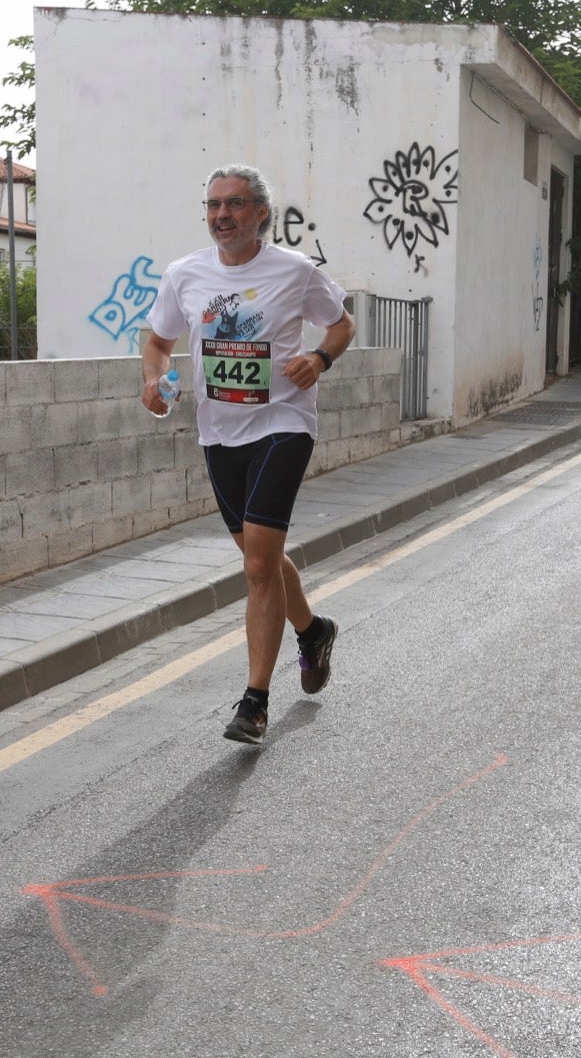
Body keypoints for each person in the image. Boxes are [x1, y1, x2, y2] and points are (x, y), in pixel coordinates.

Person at [141, 164, 354, 744]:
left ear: (260, 212)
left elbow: (341, 326)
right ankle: (312, 631)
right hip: (219, 433)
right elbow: (157, 340)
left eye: (233, 205)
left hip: (283, 424)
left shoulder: (295, 270)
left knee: (258, 564)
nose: (221, 216)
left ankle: (254, 702)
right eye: (212, 206)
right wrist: (153, 378)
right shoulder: (184, 274)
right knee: (262, 554)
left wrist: (319, 360)